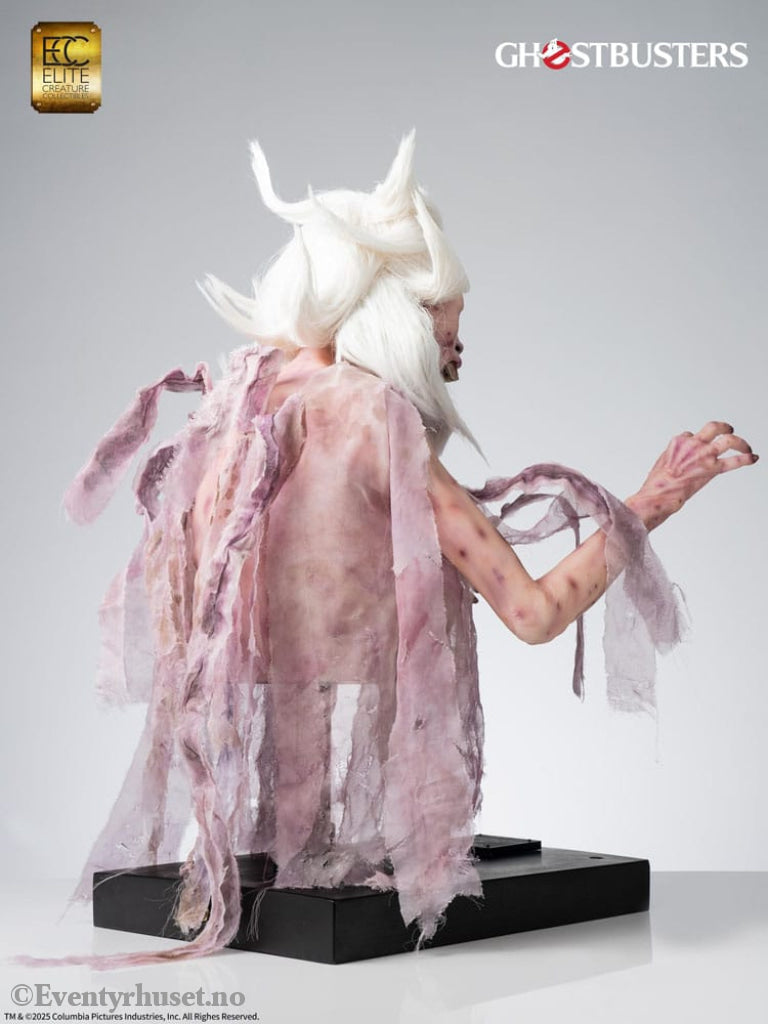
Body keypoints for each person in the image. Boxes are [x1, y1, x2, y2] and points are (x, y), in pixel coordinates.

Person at [16, 131, 756, 970]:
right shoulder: (375, 418)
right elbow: (533, 612)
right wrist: (657, 498)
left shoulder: (236, 406)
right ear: (399, 316)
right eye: (448, 332)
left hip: (257, 707)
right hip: (337, 710)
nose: (456, 355)